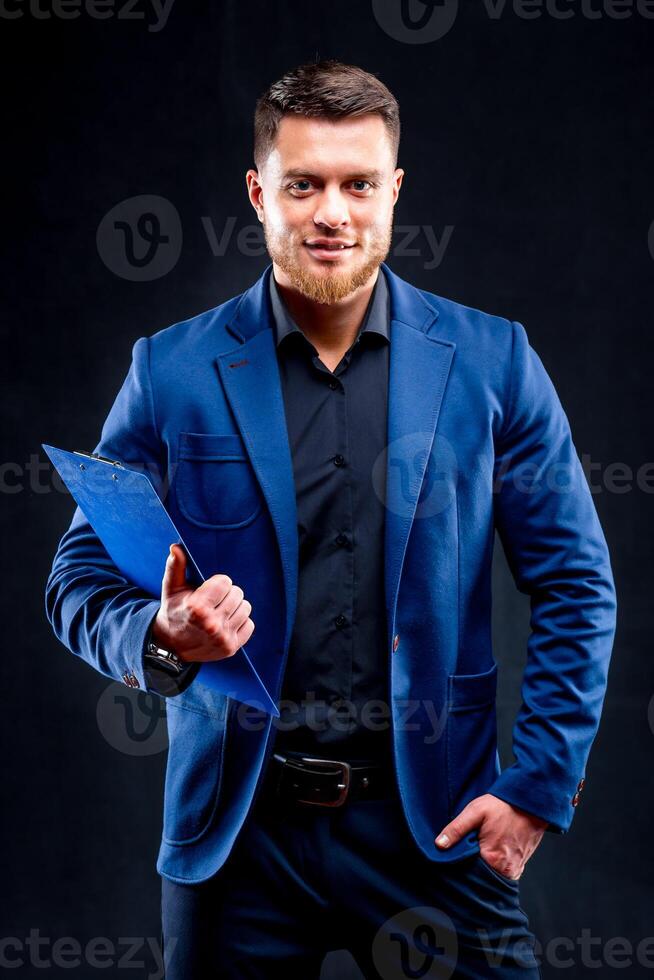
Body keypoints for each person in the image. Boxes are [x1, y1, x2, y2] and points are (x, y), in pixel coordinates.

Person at [45, 60, 617, 978]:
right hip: (237, 837)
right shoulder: (172, 370)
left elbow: (576, 582)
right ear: (257, 192)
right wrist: (156, 634)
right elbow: (76, 578)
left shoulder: (495, 361)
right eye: (303, 184)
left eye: (357, 185)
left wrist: (540, 786)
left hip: (437, 825)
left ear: (394, 192)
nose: (331, 213)